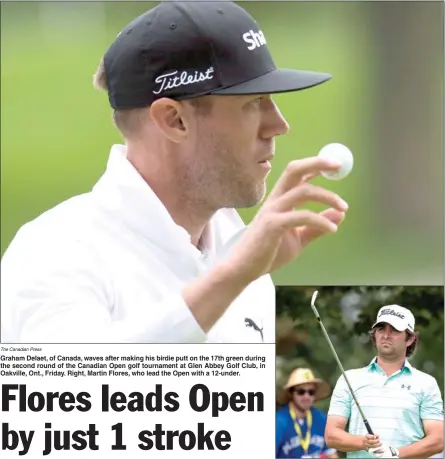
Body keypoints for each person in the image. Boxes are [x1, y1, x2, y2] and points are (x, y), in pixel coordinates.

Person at [1, 1, 349, 343]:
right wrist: (231, 279)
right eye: (254, 103)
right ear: (174, 120)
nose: (279, 125)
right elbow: (72, 391)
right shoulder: (53, 253)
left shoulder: (238, 247)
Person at [325, 305, 444, 458]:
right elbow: (331, 436)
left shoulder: (427, 383)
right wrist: (364, 443)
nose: (386, 335)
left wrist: (396, 453)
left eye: (394, 330)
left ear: (410, 339)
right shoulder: (349, 379)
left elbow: (437, 441)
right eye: (381, 329)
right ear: (374, 335)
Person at [276, 367, 338, 458]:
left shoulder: (320, 418)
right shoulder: (278, 422)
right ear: (291, 393)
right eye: (301, 392)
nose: (306, 396)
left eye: (311, 392)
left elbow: (331, 454)